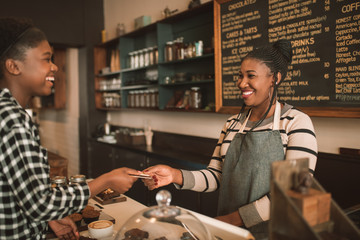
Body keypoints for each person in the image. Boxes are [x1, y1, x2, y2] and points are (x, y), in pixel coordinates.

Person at [143, 39, 318, 239]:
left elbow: (294, 191)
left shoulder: (296, 122)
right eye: (240, 76)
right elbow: (216, 176)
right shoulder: (233, 123)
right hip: (231, 232)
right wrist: (174, 175)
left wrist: (231, 220)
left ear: (274, 79)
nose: (241, 83)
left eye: (250, 76)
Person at [0, 17, 140, 240]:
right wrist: (105, 181)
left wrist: (49, 216)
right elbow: (40, 203)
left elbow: (17, 195)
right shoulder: (13, 118)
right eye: (47, 59)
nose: (54, 66)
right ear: (13, 66)